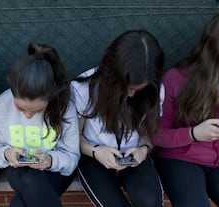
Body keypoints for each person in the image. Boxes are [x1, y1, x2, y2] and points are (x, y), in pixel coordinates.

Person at [152, 8, 219, 207]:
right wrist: (193, 134)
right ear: (211, 49)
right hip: (180, 158)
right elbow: (156, 135)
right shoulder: (176, 78)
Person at [70, 30, 165, 207]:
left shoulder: (154, 90)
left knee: (149, 202)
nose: (131, 93)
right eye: (128, 86)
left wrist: (143, 150)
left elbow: (149, 133)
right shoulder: (84, 88)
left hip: (133, 155)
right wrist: (97, 151)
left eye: (139, 89)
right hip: (93, 156)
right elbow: (74, 137)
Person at [0, 42, 80, 207]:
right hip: (19, 171)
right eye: (21, 108)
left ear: (50, 98)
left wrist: (49, 160)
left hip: (56, 171)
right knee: (28, 177)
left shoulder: (65, 108)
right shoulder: (0, 107)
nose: (28, 116)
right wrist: (7, 154)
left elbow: (71, 157)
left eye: (37, 111)